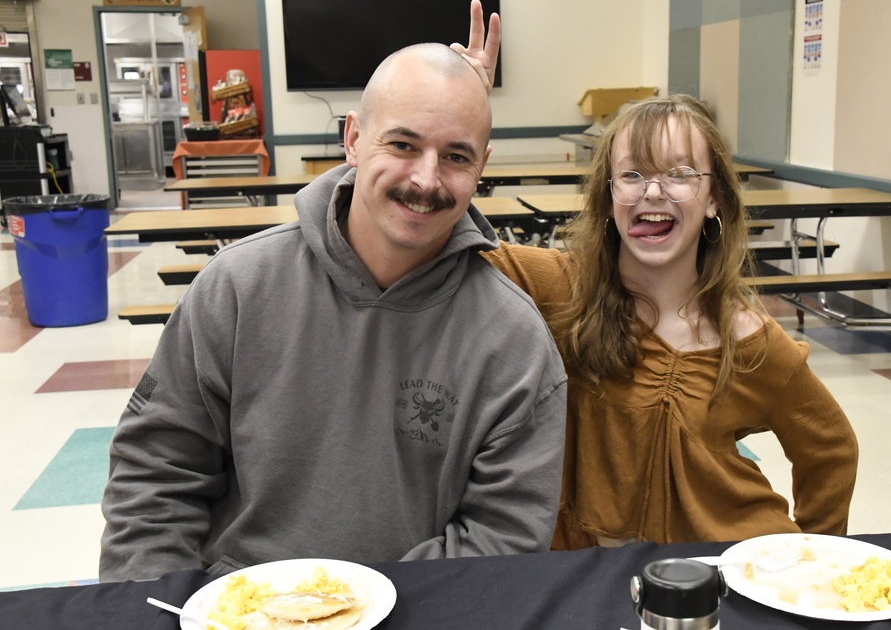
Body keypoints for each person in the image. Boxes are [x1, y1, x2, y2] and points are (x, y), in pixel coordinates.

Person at [99, 37, 568, 581]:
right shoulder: (236, 290)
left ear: (482, 166)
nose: (425, 179)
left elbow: (501, 541)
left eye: (456, 156)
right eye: (403, 145)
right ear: (352, 139)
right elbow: (154, 478)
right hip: (236, 613)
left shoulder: (514, 343)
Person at [455, 16, 858, 548]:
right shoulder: (562, 289)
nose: (653, 192)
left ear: (714, 199)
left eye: (681, 174)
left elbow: (831, 447)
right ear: (609, 195)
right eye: (633, 174)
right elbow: (443, 231)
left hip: (718, 577)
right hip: (585, 577)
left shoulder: (749, 340)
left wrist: (815, 559)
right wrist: (461, 105)